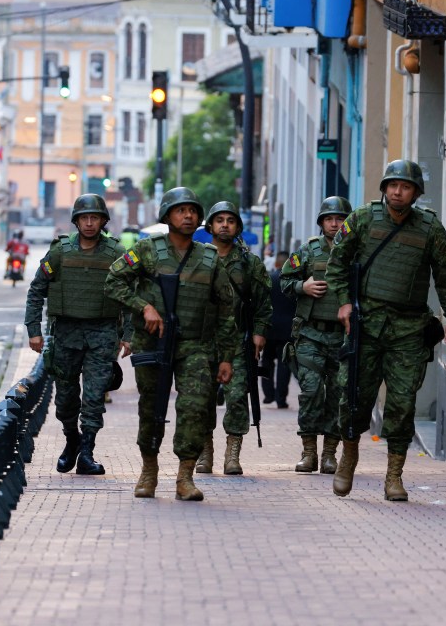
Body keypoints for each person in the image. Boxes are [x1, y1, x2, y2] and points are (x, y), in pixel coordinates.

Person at [326, 163, 446, 501]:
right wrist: (344, 303)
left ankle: (394, 475)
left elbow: (445, 276)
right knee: (354, 397)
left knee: (402, 404)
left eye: (405, 187)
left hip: (409, 328)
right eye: (392, 185)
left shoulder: (430, 229)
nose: (398, 192)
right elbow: (337, 265)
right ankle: (348, 458)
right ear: (384, 188)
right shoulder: (361, 219)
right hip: (366, 324)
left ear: (416, 192)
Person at [104, 187, 236, 501]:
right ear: (167, 216)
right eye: (181, 211)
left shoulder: (209, 258)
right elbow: (113, 281)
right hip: (153, 344)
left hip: (194, 345)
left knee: (194, 408)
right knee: (151, 410)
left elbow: (227, 309)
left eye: (192, 211)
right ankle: (149, 471)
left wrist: (227, 357)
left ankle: (185, 477)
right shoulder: (147, 249)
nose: (188, 216)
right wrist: (143, 307)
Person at [25, 194, 131, 476]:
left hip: (103, 334)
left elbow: (130, 294)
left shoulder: (116, 253)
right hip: (66, 335)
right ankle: (71, 439)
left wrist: (129, 334)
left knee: (94, 397)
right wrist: (33, 331)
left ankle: (87, 452)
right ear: (76, 221)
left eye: (94, 217)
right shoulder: (60, 252)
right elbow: (37, 290)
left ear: (103, 221)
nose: (88, 222)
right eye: (84, 218)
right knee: (65, 398)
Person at [194, 201, 271, 476]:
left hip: (238, 341)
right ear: (211, 226)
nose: (225, 224)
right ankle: (205, 452)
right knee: (202, 399)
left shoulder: (249, 263)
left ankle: (232, 453)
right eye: (219, 220)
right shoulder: (198, 258)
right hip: (203, 341)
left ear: (237, 227)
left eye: (230, 220)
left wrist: (259, 332)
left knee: (237, 396)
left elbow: (263, 302)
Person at [280, 197, 355, 474]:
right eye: (329, 218)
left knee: (337, 395)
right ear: (321, 222)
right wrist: (303, 286)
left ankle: (329, 454)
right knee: (311, 391)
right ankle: (308, 452)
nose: (334, 223)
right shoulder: (308, 251)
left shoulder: (355, 251)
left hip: (342, 338)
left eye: (339, 218)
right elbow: (284, 281)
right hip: (310, 334)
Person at [261, 251, 294, 409]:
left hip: (269, 328)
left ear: (276, 264)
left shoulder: (269, 279)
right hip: (288, 329)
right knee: (284, 364)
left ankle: (268, 395)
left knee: (266, 361)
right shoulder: (294, 282)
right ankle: (281, 399)